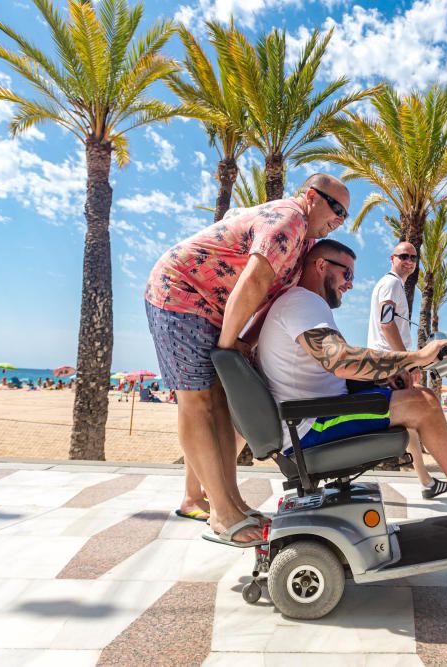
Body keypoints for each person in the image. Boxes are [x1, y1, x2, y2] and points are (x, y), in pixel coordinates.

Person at [255, 240, 447, 542]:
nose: (350, 284)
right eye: (346, 274)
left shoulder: (304, 304)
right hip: (310, 425)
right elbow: (338, 359)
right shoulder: (302, 303)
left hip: (317, 413)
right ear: (321, 265)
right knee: (423, 404)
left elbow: (329, 365)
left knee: (420, 401)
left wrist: (381, 380)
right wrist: (416, 357)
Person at [145, 173, 350, 544]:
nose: (338, 219)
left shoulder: (304, 244)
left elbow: (269, 303)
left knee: (223, 405)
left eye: (345, 216)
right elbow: (254, 281)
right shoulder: (290, 219)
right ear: (310, 197)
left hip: (212, 309)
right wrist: (228, 347)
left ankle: (232, 501)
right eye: (335, 208)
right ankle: (221, 513)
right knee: (197, 401)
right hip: (180, 292)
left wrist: (243, 345)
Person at [367, 240, 447, 499]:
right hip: (389, 363)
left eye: (414, 258)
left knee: (410, 422)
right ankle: (430, 480)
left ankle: (426, 482)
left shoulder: (394, 286)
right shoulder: (391, 284)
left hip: (385, 362)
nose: (409, 261)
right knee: (416, 413)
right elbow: (386, 323)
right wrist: (407, 362)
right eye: (403, 256)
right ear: (392, 258)